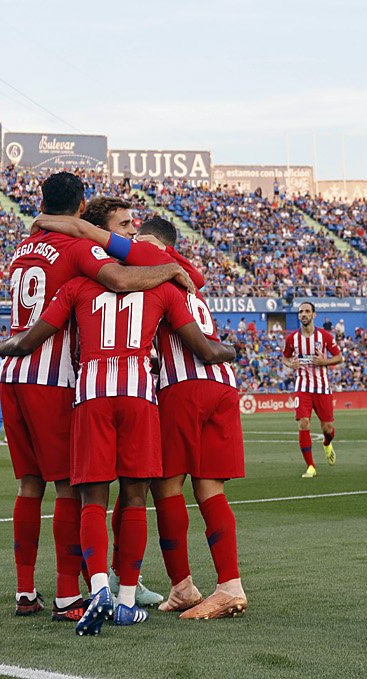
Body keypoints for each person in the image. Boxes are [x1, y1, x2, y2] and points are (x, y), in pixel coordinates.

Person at [0, 172, 192, 621]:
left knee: (30, 485)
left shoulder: (23, 248)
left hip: (13, 370)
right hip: (54, 375)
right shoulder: (80, 249)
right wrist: (170, 269)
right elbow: (120, 280)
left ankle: (26, 590)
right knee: (71, 486)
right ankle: (70, 595)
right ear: (82, 207)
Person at [0, 268, 235, 635]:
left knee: (92, 499)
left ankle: (97, 589)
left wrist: (7, 347)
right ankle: (126, 601)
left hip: (91, 393)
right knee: (136, 497)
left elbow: (34, 337)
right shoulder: (161, 289)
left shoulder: (75, 285)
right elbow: (202, 346)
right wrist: (232, 349)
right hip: (139, 394)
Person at [133, 219, 250, 620]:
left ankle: (182, 586)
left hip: (183, 386)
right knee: (210, 489)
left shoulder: (153, 271)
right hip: (221, 386)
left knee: (166, 486)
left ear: (150, 244)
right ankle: (229, 585)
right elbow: (193, 271)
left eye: (138, 238)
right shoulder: (188, 277)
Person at [282, 302, 344, 478]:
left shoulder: (324, 336)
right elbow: (285, 358)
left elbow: (339, 357)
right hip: (302, 388)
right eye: (301, 311)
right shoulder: (292, 338)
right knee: (303, 423)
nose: (304, 314)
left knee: (328, 428)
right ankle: (310, 465)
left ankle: (327, 443)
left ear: (313, 315)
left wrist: (324, 362)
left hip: (323, 388)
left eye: (307, 311)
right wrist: (290, 364)